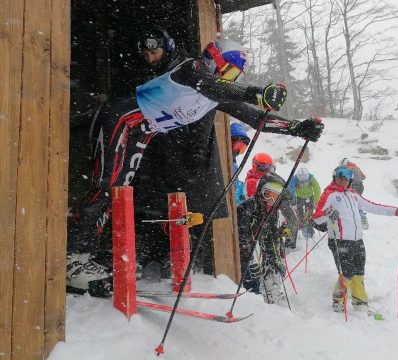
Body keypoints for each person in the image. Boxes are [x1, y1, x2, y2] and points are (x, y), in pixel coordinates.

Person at [66, 27, 324, 295]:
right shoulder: (191, 69)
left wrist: (296, 127)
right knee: (106, 186)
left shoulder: (212, 97)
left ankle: (87, 260)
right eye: (233, 73)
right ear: (220, 63)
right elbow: (208, 84)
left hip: (139, 132)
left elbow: (256, 119)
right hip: (119, 119)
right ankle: (74, 258)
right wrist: (256, 92)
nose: (233, 79)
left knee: (119, 192)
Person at [311, 166, 398, 312]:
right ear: (335, 178)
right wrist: (328, 213)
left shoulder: (354, 195)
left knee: (359, 272)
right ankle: (338, 301)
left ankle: (359, 302)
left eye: (346, 177)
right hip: (340, 240)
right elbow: (316, 218)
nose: (343, 180)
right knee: (346, 273)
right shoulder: (330, 195)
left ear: (350, 180)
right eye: (340, 177)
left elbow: (374, 207)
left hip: (357, 241)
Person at [237, 173, 294, 304]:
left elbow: (272, 230)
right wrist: (247, 253)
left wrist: (280, 235)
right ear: (261, 192)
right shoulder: (251, 205)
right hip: (248, 249)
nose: (271, 201)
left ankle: (272, 293)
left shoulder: (272, 211)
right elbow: (242, 229)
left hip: (264, 246)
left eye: (276, 198)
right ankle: (254, 299)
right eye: (268, 195)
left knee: (272, 266)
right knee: (253, 275)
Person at [287, 167, 321, 242]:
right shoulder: (294, 178)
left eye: (305, 181)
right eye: (301, 181)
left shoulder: (311, 177)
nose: (303, 182)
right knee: (300, 213)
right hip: (299, 197)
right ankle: (303, 227)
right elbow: (290, 189)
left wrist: (316, 201)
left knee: (309, 213)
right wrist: (292, 202)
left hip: (310, 196)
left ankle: (309, 229)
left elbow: (317, 188)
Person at [339, 158, 368, 229]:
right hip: (361, 186)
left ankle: (362, 219)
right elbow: (364, 177)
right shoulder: (356, 167)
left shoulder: (348, 169)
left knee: (354, 203)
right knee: (357, 202)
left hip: (354, 187)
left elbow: (345, 179)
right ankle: (361, 219)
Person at [230, 122, 251, 205]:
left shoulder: (233, 162)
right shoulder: (223, 158)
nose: (238, 151)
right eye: (237, 146)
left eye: (242, 148)